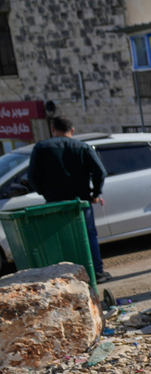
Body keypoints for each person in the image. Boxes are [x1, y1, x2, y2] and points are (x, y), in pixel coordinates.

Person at [26, 116, 112, 283]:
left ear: (53, 129)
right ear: (72, 130)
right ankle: (96, 272)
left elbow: (32, 176)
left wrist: (44, 193)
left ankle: (63, 275)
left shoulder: (41, 147)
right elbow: (100, 172)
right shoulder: (82, 147)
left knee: (59, 239)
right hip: (79, 202)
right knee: (87, 236)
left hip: (54, 203)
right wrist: (95, 194)